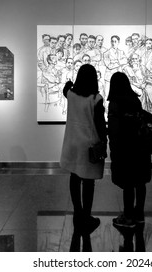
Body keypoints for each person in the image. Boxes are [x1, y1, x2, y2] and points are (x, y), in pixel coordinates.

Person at [60, 64, 107, 233]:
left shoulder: (71, 95)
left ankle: (77, 212)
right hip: (89, 144)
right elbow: (101, 125)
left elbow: (65, 89)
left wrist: (70, 83)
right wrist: (104, 142)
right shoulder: (96, 99)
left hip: (72, 143)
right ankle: (86, 216)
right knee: (88, 181)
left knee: (74, 176)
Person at [107, 72, 152, 228]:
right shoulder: (135, 100)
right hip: (141, 148)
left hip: (125, 149)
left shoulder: (114, 102)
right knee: (140, 182)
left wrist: (113, 150)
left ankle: (128, 217)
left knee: (128, 183)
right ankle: (139, 214)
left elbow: (114, 130)